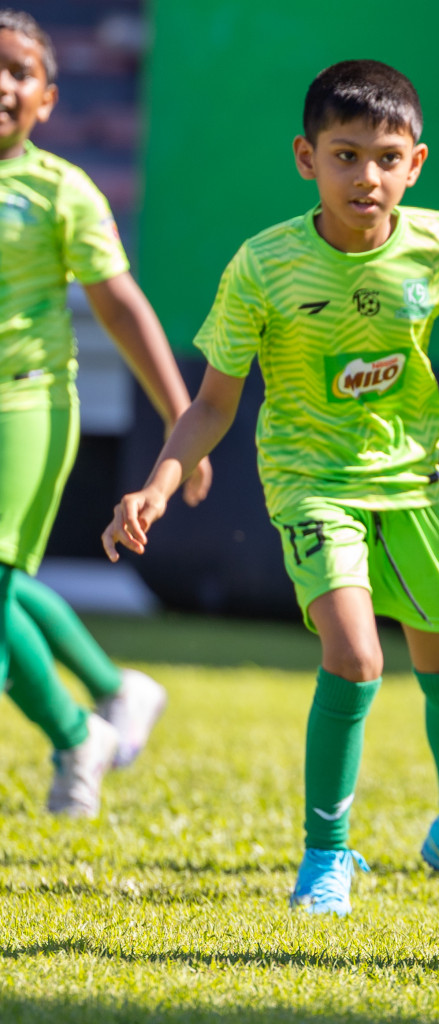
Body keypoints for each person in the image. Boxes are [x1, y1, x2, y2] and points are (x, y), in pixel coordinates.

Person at [102, 59, 439, 916]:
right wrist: (158, 484)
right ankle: (326, 856)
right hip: (312, 485)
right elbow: (211, 404)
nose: (368, 176)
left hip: (413, 488)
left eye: (387, 157)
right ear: (305, 158)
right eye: (345, 155)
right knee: (356, 657)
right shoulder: (265, 266)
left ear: (416, 163)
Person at [0, 9, 197, 817]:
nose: (0, 84)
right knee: (8, 584)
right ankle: (116, 695)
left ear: (47, 99)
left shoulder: (60, 191)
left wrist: (183, 421)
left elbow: (120, 307)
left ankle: (76, 732)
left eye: (18, 72)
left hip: (28, 402)